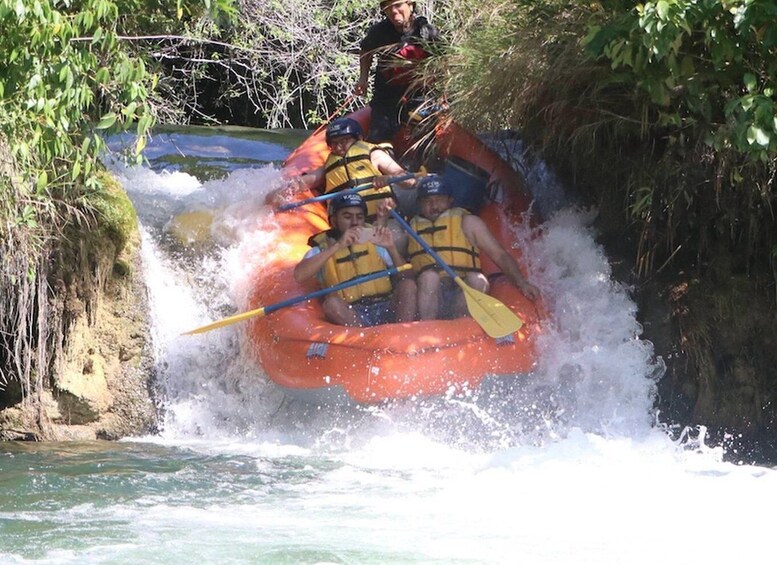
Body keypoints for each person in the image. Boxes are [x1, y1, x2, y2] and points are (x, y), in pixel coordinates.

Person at [406, 175, 540, 320]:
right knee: (429, 277)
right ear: (420, 204)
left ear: (450, 200)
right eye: (428, 201)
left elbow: (500, 255)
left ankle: (462, 325)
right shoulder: (410, 228)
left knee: (477, 279)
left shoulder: (468, 222)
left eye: (439, 199)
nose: (434, 206)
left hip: (462, 287)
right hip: (431, 291)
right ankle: (428, 326)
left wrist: (522, 283)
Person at [294, 192, 416, 327]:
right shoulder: (321, 250)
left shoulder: (375, 242)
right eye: (347, 217)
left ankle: (402, 331)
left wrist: (391, 248)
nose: (354, 222)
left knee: (408, 285)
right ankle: (367, 341)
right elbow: (299, 275)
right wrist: (338, 245)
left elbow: (408, 276)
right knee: (331, 304)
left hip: (385, 303)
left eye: (359, 217)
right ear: (334, 221)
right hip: (353, 313)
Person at [284, 117, 415, 223]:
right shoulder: (329, 165)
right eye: (334, 143)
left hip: (382, 219)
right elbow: (306, 181)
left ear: (357, 139)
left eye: (344, 140)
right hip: (347, 227)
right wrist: (285, 190)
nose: (339, 147)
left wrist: (389, 179)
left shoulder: (374, 155)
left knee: (398, 238)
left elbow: (409, 181)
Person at [355, 0, 439, 144]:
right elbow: (365, 51)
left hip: (419, 95)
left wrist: (435, 80)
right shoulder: (379, 32)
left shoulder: (427, 32)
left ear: (410, 5)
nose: (393, 11)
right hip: (386, 95)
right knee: (379, 136)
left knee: (426, 131)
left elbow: (443, 59)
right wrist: (363, 78)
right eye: (388, 8)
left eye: (398, 5)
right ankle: (383, 160)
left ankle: (423, 163)